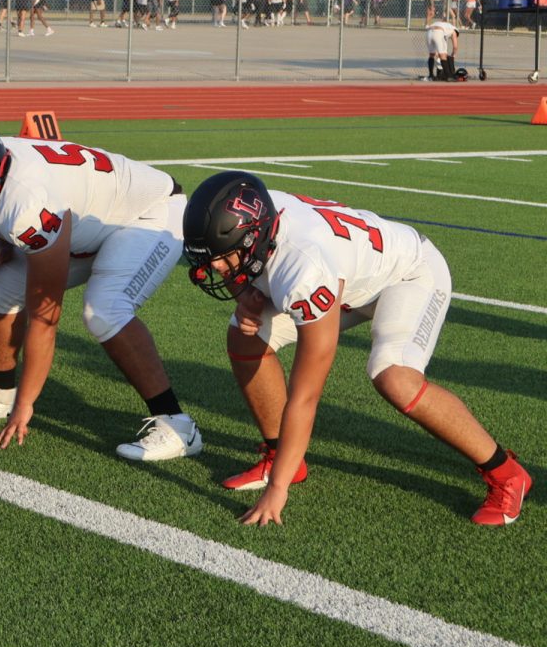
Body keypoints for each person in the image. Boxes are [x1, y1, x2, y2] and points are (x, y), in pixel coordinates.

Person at [181, 171, 532, 527]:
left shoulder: (302, 268)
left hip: (407, 274)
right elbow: (237, 261)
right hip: (347, 277)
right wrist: (245, 297)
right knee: (245, 338)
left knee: (394, 377)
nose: (216, 268)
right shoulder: (253, 216)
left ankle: (507, 473)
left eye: (224, 257)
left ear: (256, 237)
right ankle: (279, 455)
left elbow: (306, 395)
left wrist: (278, 489)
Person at [0, 119, 202, 461]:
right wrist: (5, 249)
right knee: (0, 287)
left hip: (149, 214)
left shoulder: (28, 204)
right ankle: (0, 394)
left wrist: (27, 406)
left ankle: (178, 425)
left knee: (104, 309)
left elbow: (45, 317)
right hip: (86, 221)